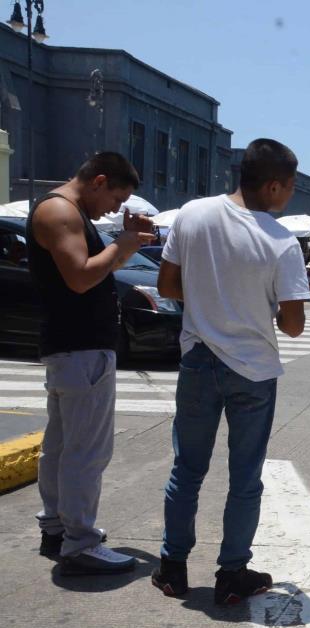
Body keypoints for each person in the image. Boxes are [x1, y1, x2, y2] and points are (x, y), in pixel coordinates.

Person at [150, 138, 310, 603]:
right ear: (274, 185)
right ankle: (231, 573)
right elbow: (295, 326)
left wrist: (209, 302)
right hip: (253, 371)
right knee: (245, 476)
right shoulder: (281, 242)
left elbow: (167, 285)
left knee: (188, 467)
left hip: (199, 358)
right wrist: (259, 309)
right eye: (291, 186)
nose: (291, 195)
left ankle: (172, 567)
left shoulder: (192, 214)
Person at [29, 152, 155, 574]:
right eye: (116, 197)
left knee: (62, 446)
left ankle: (56, 529)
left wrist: (123, 244)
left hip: (71, 348)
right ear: (99, 180)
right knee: (86, 451)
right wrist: (123, 244)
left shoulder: (63, 211)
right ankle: (79, 541)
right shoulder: (62, 212)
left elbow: (88, 274)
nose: (115, 208)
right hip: (82, 349)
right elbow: (81, 277)